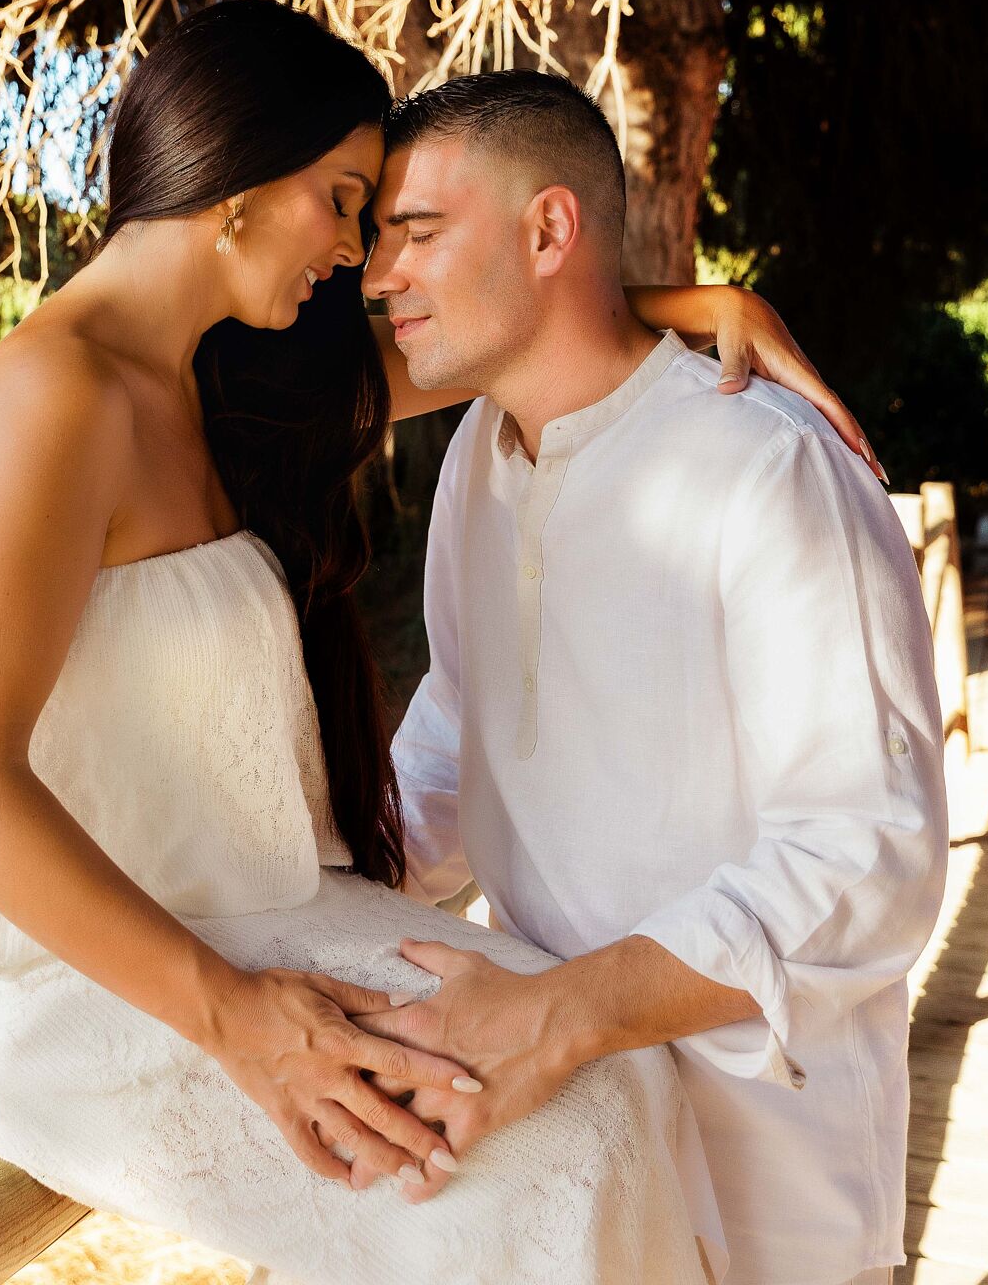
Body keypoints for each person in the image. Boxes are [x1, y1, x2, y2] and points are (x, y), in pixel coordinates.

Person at [0, 0, 881, 1285]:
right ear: (233, 185)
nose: (357, 252)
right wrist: (242, 1022)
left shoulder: (217, 387)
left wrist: (692, 296)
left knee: (606, 1076)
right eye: (342, 199)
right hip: (21, 972)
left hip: (229, 908)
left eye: (383, 217)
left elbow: (521, 320)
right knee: (562, 1142)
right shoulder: (54, 396)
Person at [355, 71, 948, 1285]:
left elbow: (865, 851)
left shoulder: (765, 465)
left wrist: (562, 1012)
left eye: (416, 233)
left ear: (549, 228)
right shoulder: (476, 452)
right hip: (549, 1155)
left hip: (766, 1184)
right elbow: (458, 732)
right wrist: (304, 896)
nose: (377, 276)